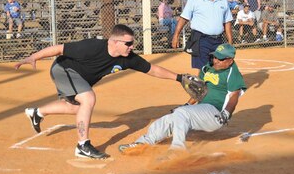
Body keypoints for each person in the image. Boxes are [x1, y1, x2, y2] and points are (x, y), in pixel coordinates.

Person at [14, 24, 191, 159]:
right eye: (128, 43)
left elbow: (152, 69)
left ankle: (37, 113)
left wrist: (179, 78)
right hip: (64, 69)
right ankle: (83, 146)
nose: (131, 47)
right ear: (114, 42)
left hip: (79, 78)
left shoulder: (127, 58)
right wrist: (33, 57)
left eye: (132, 43)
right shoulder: (92, 47)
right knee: (88, 99)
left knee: (78, 108)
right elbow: (59, 49)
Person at [118, 43, 246, 153]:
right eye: (215, 57)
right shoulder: (208, 67)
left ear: (230, 60)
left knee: (182, 113)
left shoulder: (232, 72)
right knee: (168, 119)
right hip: (201, 110)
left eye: (221, 59)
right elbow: (199, 90)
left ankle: (177, 150)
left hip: (216, 113)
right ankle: (143, 143)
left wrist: (226, 113)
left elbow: (234, 95)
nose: (216, 61)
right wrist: (188, 105)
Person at [172, 0, 233, 73]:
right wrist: (176, 36)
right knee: (203, 68)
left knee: (218, 67)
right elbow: (183, 18)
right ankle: (202, 87)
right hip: (200, 39)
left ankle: (212, 87)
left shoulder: (223, 1)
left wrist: (230, 43)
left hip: (218, 40)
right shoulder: (194, 0)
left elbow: (227, 23)